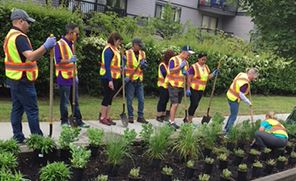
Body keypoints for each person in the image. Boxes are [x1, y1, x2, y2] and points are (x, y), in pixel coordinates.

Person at [3, 9, 56, 143]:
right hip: (23, 79)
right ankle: (38, 140)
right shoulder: (19, 37)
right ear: (20, 21)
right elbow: (31, 56)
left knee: (17, 108)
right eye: (28, 22)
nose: (29, 25)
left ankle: (18, 137)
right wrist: (46, 46)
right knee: (32, 110)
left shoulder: (10, 35)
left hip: (14, 78)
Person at [54, 23, 89, 128]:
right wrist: (70, 60)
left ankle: (78, 120)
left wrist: (76, 75)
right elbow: (58, 61)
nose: (77, 36)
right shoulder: (59, 44)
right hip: (63, 77)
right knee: (64, 101)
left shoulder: (72, 44)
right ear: (70, 33)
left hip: (73, 76)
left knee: (75, 101)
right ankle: (64, 121)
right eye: (76, 34)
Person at [166, 45, 195, 129]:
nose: (189, 56)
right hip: (173, 84)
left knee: (176, 104)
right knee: (175, 104)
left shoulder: (186, 62)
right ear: (183, 52)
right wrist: (180, 67)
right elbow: (171, 71)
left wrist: (186, 74)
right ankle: (171, 122)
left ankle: (171, 119)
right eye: (188, 54)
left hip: (181, 85)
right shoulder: (173, 59)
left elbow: (186, 74)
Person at [186, 53, 219, 123]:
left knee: (196, 104)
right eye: (202, 59)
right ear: (198, 59)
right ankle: (189, 119)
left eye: (205, 60)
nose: (204, 61)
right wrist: (188, 88)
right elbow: (189, 78)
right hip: (193, 89)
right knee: (194, 104)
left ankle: (189, 118)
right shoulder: (193, 67)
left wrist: (213, 74)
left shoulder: (206, 67)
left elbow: (207, 77)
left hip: (201, 89)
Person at [99, 32, 123, 126]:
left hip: (115, 76)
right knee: (107, 97)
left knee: (110, 98)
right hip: (107, 77)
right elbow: (108, 66)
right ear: (114, 40)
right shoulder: (108, 50)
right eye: (118, 41)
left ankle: (107, 116)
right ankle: (102, 117)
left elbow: (114, 64)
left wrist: (120, 68)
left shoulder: (115, 49)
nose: (119, 43)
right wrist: (110, 80)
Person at [224, 68, 259, 132]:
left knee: (232, 114)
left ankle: (226, 129)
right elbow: (241, 95)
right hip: (233, 98)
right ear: (251, 74)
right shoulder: (245, 83)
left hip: (229, 94)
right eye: (254, 77)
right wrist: (248, 102)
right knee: (234, 116)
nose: (254, 79)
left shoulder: (242, 74)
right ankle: (228, 132)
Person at [124, 38, 148, 124]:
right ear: (134, 44)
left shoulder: (143, 53)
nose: (140, 47)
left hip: (139, 80)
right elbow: (123, 66)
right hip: (130, 80)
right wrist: (124, 73)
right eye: (139, 45)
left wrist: (144, 65)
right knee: (129, 99)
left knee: (141, 99)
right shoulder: (127, 53)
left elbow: (144, 66)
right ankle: (130, 116)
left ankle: (140, 117)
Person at [156, 49, 175, 122]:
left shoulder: (170, 65)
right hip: (162, 85)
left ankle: (163, 115)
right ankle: (158, 115)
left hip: (169, 86)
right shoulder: (162, 65)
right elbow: (164, 74)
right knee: (162, 101)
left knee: (166, 100)